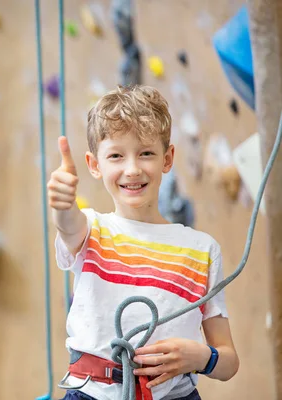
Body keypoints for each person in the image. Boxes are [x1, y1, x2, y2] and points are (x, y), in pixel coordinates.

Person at [47, 85, 239, 400]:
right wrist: (62, 204)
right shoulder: (92, 228)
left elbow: (228, 361)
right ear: (95, 165)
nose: (132, 169)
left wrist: (202, 357)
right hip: (90, 393)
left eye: (146, 153)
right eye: (116, 156)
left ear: (168, 158)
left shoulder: (202, 249)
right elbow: (68, 225)